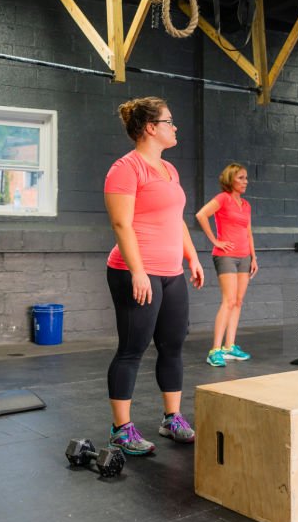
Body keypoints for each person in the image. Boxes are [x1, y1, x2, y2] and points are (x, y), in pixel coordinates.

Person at [104, 97, 204, 455]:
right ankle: (121, 429)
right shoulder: (126, 168)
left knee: (173, 346)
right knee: (132, 349)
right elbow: (121, 223)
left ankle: (171, 418)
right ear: (150, 128)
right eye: (169, 121)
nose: (174, 127)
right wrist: (138, 271)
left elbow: (175, 219)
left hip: (171, 273)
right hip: (135, 273)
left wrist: (191, 256)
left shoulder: (168, 170)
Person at [196, 163, 258, 367]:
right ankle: (214, 350)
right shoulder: (223, 199)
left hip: (244, 257)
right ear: (231, 179)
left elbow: (248, 233)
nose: (245, 181)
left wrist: (254, 257)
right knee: (229, 300)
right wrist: (215, 241)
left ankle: (229, 346)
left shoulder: (246, 205)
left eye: (246, 178)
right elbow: (201, 215)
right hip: (226, 256)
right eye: (241, 178)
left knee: (238, 301)